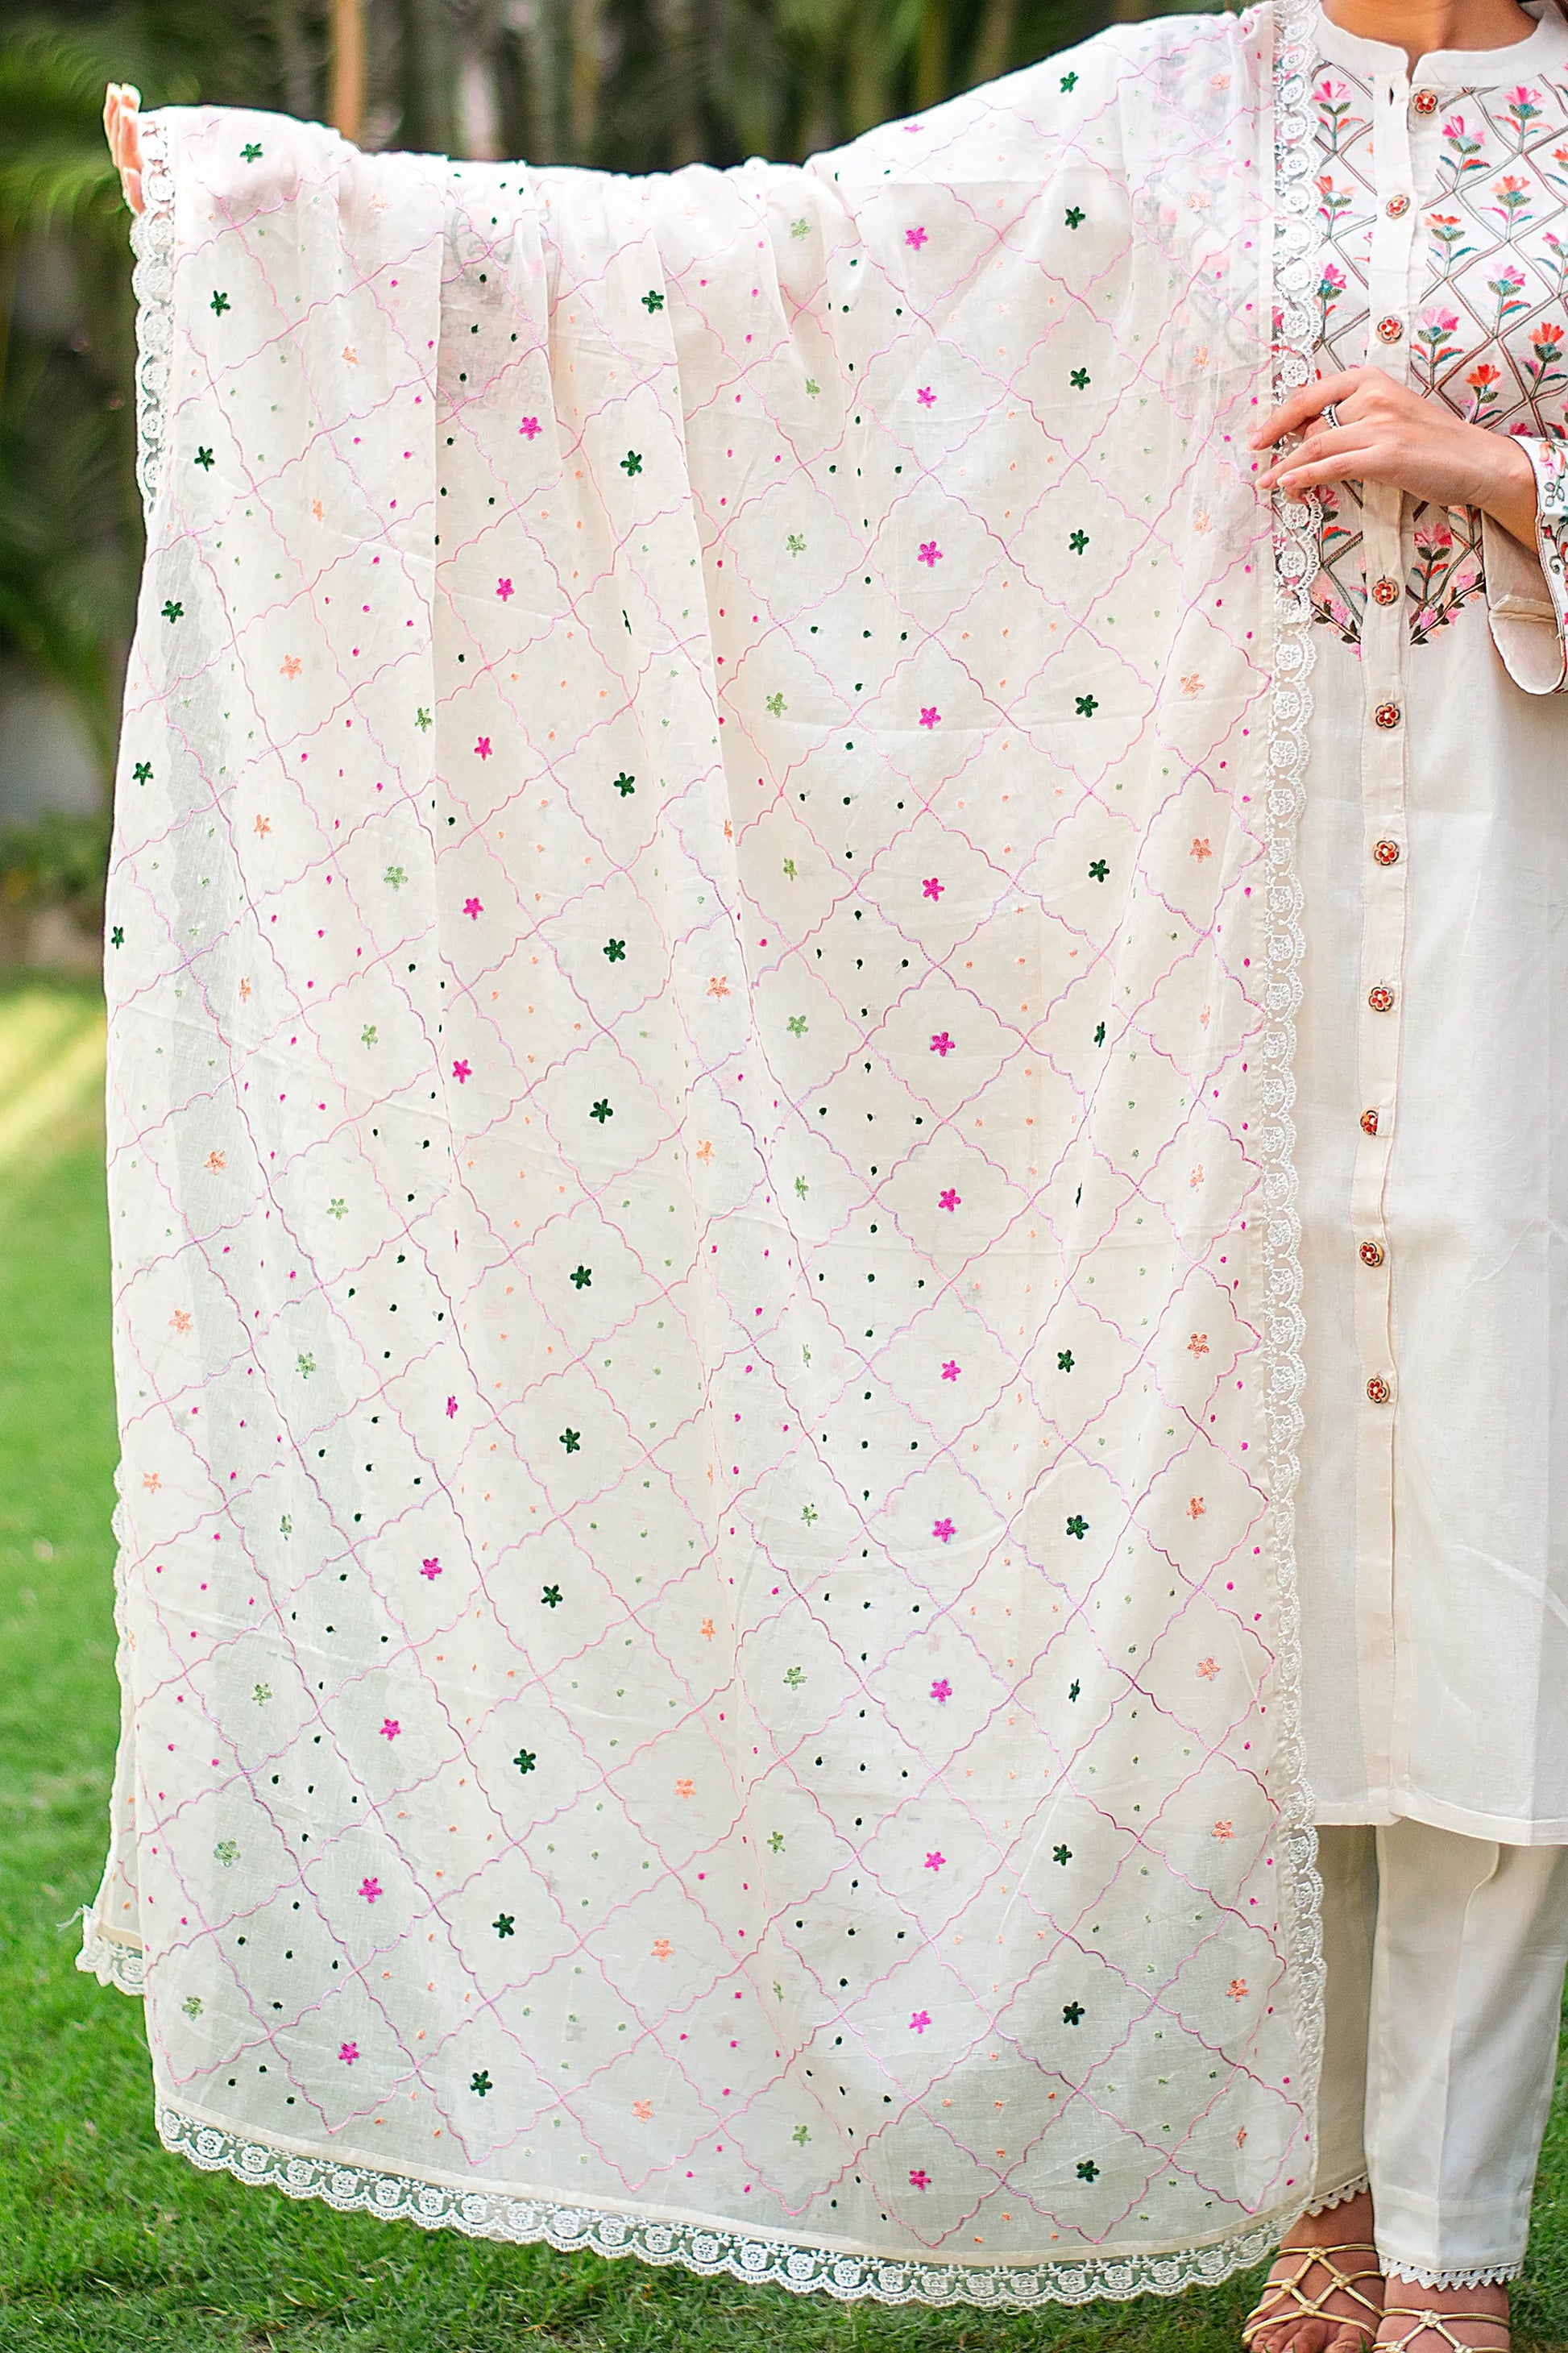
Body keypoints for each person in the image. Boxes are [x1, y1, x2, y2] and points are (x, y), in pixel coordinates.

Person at [92, 0, 1568, 2334]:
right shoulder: (1160, 99)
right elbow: (775, 273)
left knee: (1492, 1602)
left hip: (1520, 938)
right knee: (1259, 1621)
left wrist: (1494, 469)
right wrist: (326, 222)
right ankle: (1335, 2204)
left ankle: (1458, 2251)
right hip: (1196, 960)